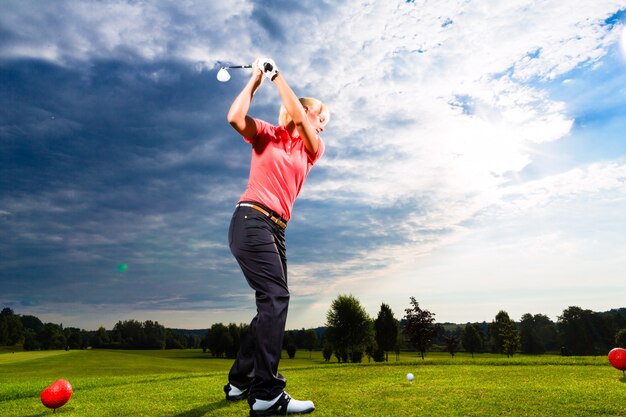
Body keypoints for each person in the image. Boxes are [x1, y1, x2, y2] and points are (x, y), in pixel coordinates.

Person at [223, 57, 329, 416]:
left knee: (269, 303)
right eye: (322, 119)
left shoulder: (311, 150)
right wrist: (256, 80)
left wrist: (278, 77)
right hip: (250, 220)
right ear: (305, 110)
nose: (323, 128)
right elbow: (235, 118)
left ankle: (239, 381)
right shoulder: (267, 134)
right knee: (275, 297)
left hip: (276, 230)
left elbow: (299, 118)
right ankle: (266, 392)